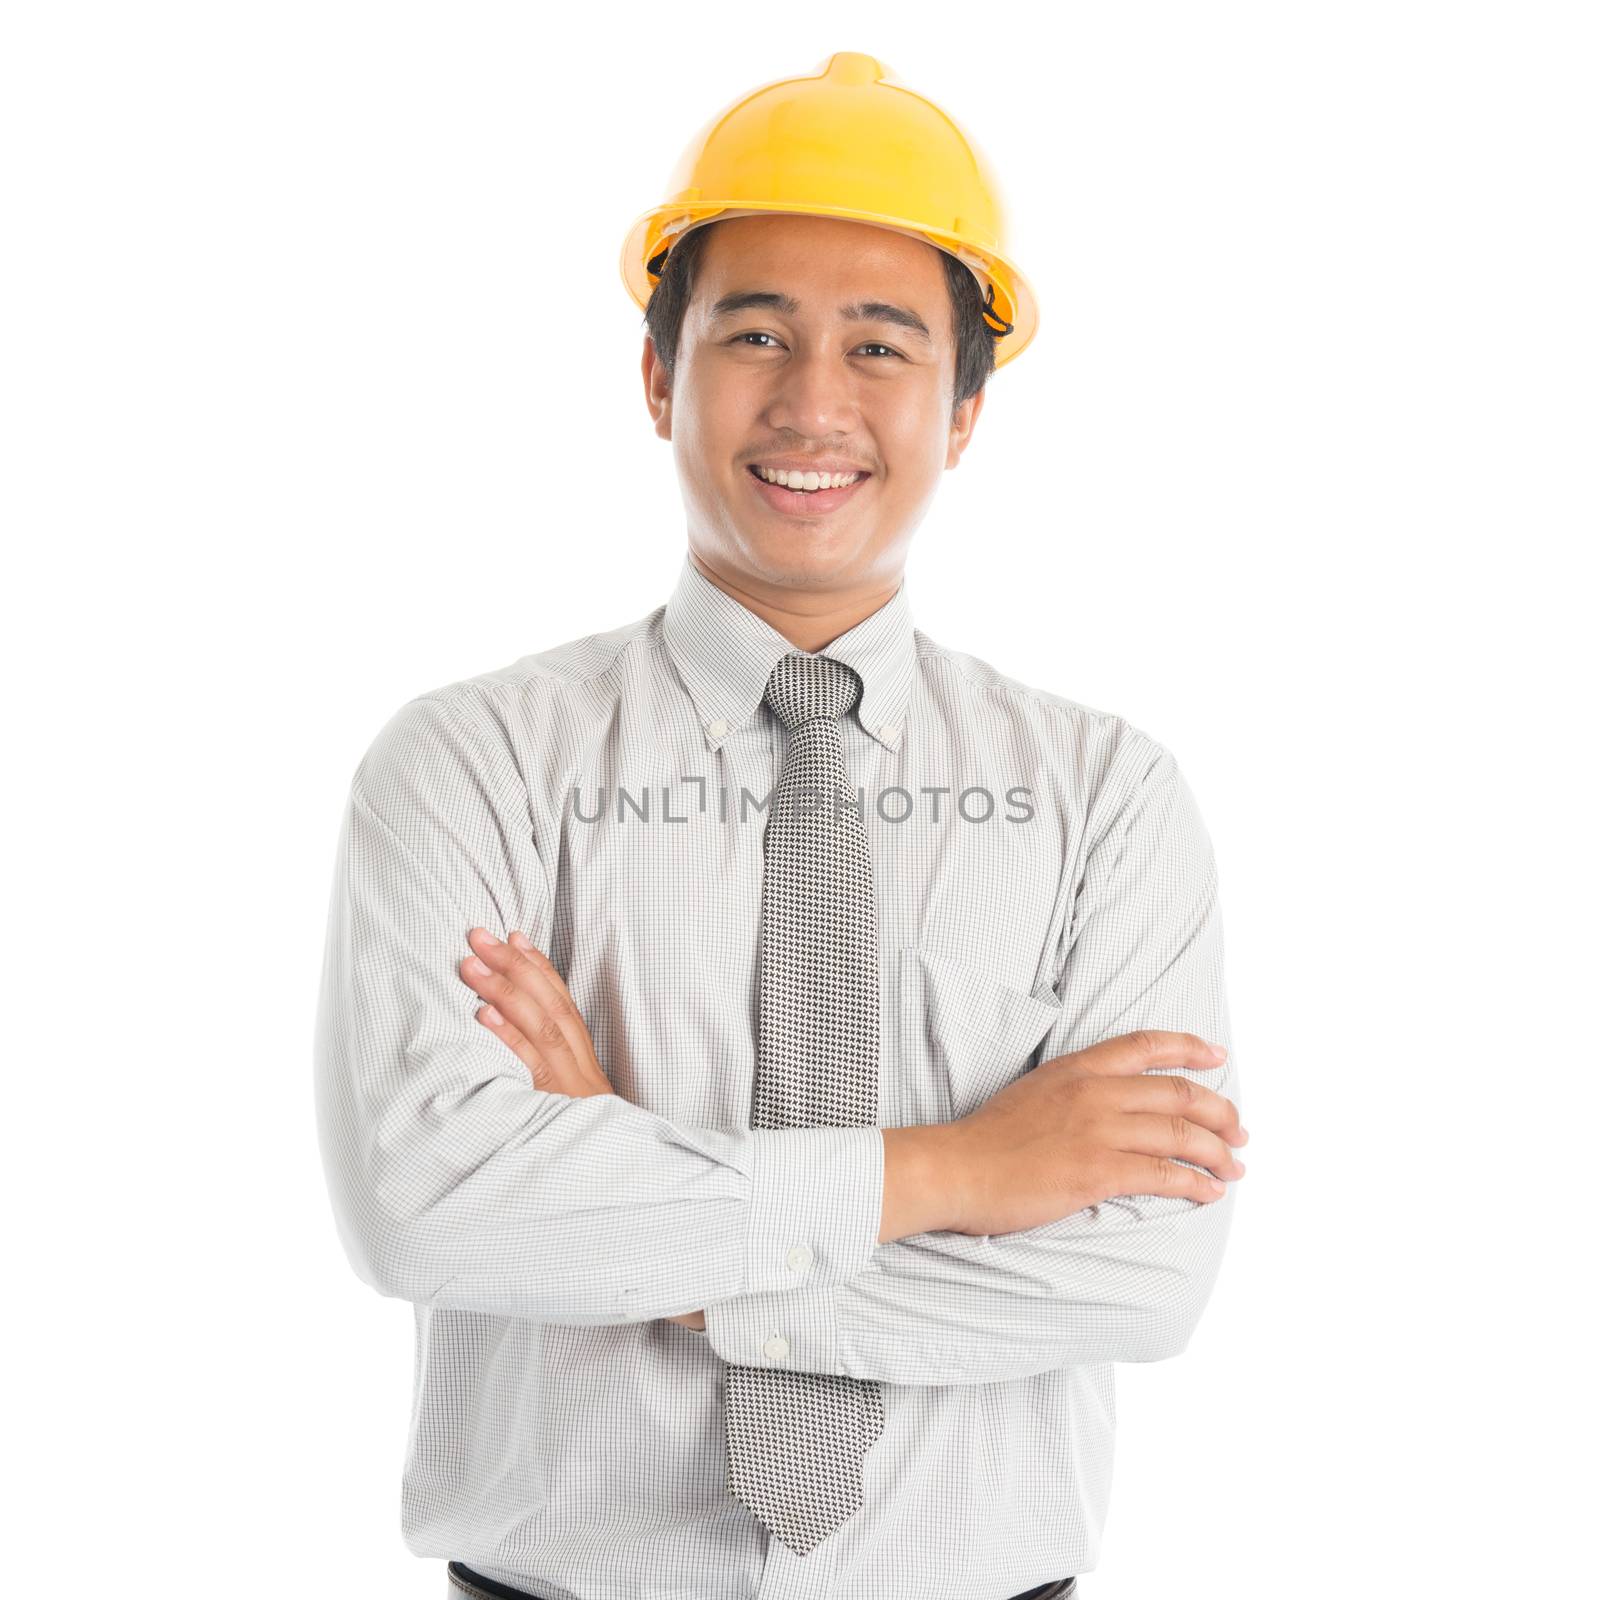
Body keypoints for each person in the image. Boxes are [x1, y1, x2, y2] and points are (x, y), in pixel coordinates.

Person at [314, 51, 1247, 1600]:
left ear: (962, 412)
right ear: (659, 376)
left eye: (881, 348)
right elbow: (433, 1212)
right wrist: (960, 1171)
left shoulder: (1104, 801)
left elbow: (1142, 1277)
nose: (814, 403)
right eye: (755, 334)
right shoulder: (466, 765)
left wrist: (651, 1231)